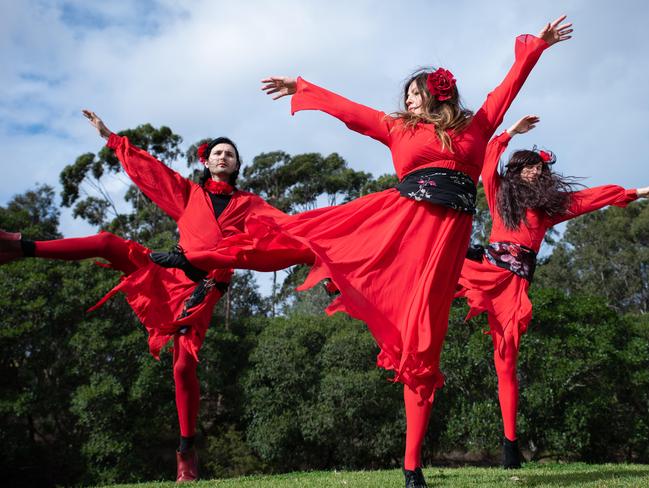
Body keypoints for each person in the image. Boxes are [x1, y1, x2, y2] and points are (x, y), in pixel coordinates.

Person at [153, 16, 572, 487]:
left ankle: (412, 467)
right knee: (301, 238)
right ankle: (201, 258)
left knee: (423, 350)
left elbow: (507, 86)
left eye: (415, 93)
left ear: (438, 94)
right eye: (408, 96)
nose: (409, 100)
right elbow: (350, 111)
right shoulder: (397, 128)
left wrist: (538, 44)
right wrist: (302, 87)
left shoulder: (478, 126)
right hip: (397, 225)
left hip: (442, 250)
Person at [0, 110, 290, 482]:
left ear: (236, 165)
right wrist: (111, 137)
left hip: (202, 289)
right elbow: (148, 170)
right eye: (217, 152)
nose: (223, 156)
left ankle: (186, 450)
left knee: (184, 366)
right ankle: (19, 246)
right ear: (207, 160)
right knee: (106, 242)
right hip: (168, 271)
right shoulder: (189, 193)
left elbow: (289, 228)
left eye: (230, 154)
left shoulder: (250, 205)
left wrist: (326, 258)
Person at [456, 114, 649, 468]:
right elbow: (487, 158)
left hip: (513, 290)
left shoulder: (547, 210)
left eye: (539, 169)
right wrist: (512, 131)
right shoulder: (499, 192)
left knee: (506, 364)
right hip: (485, 271)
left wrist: (636, 192)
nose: (535, 172)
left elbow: (590, 198)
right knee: (432, 264)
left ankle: (510, 445)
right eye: (528, 167)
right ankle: (359, 277)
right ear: (516, 171)